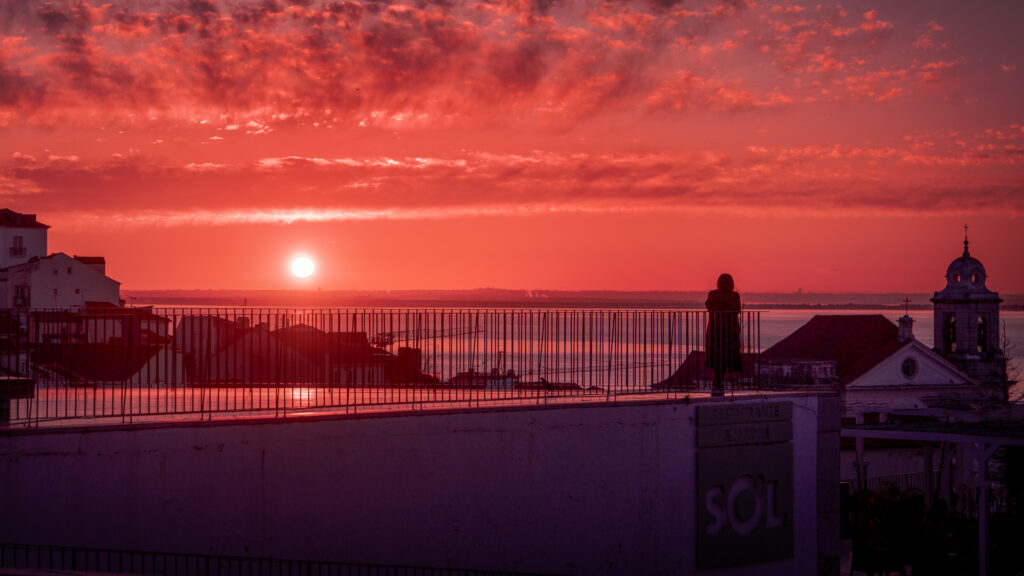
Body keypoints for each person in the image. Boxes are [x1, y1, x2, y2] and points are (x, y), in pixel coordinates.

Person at [705, 273, 742, 396]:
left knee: (724, 355)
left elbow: (736, 308)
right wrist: (725, 305)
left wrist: (721, 305)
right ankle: (718, 382)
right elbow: (710, 306)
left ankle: (719, 382)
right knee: (718, 355)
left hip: (728, 331)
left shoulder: (733, 295)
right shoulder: (715, 294)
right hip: (718, 330)